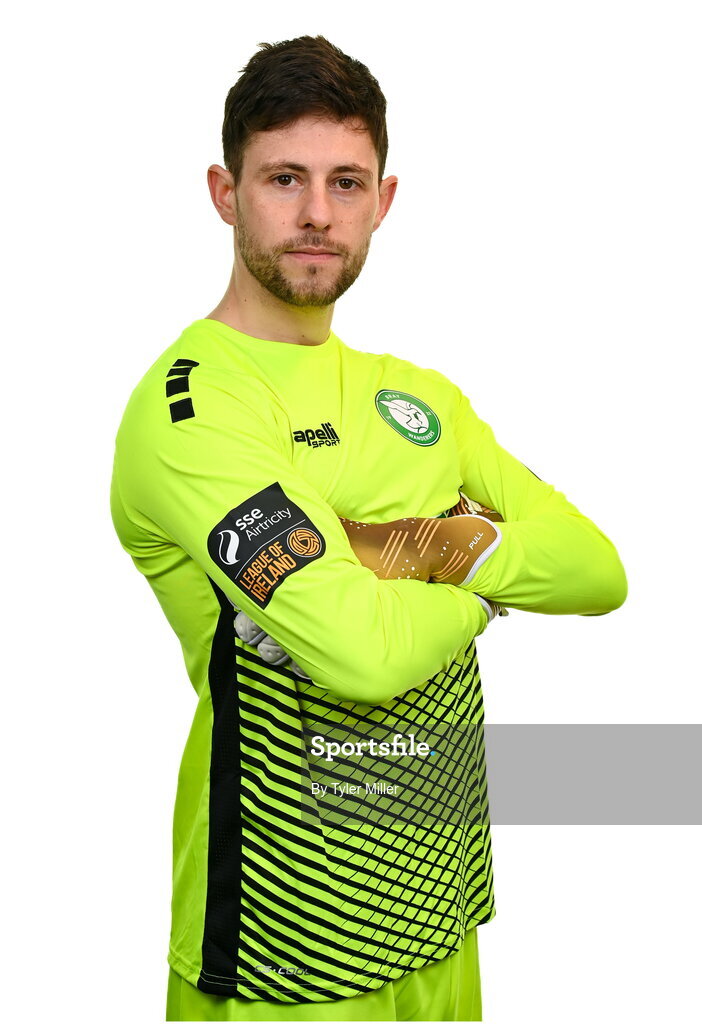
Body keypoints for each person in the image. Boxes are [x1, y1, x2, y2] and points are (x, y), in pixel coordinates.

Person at [110, 34, 627, 1023]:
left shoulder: (419, 397)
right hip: (284, 949)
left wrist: (414, 550)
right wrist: (473, 566)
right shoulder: (192, 409)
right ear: (225, 192)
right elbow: (358, 649)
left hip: (437, 911)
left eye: (346, 182)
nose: (316, 214)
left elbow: (597, 571)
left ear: (384, 201)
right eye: (284, 179)